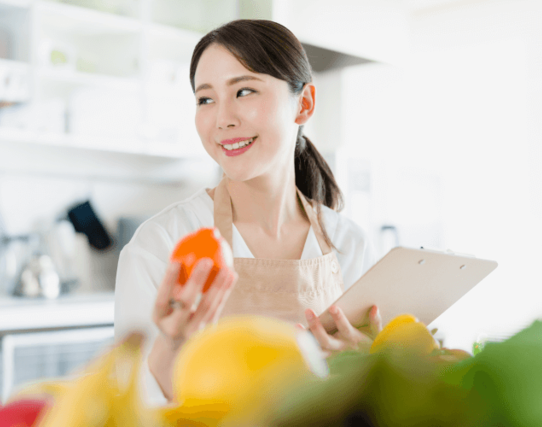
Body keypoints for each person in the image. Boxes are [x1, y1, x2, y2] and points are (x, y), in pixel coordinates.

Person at [114, 19, 382, 404]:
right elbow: (130, 405)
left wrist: (363, 368)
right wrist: (170, 349)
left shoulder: (349, 244)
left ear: (303, 103)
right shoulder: (162, 245)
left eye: (244, 91)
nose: (222, 119)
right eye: (205, 99)